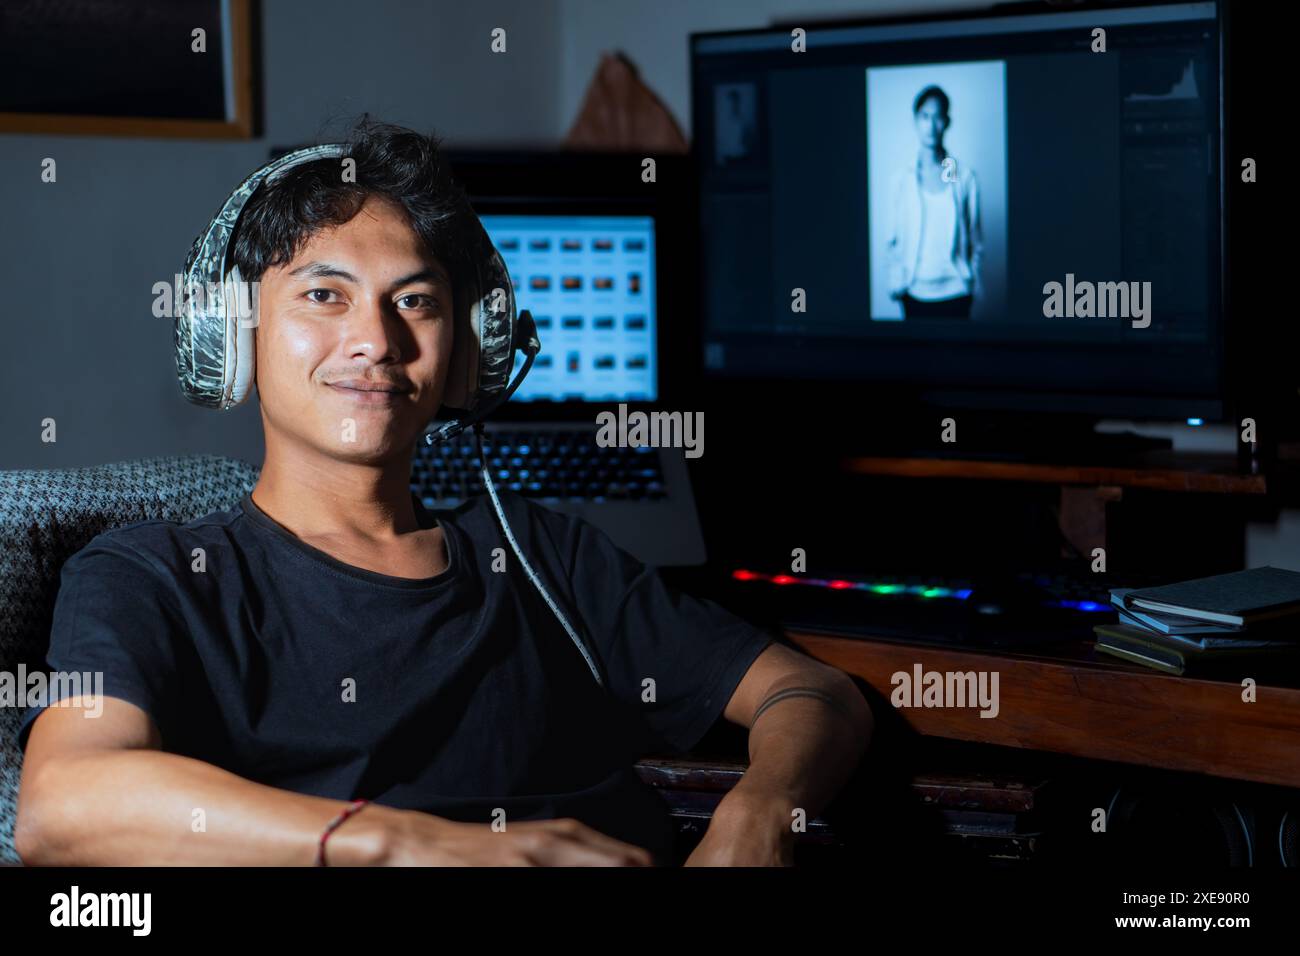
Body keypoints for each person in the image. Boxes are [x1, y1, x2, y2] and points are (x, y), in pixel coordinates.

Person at [14, 119, 871, 867]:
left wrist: (762, 813)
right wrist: (402, 843)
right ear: (231, 334)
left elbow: (814, 695)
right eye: (324, 295)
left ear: (468, 356)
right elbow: (65, 804)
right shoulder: (154, 577)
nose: (376, 341)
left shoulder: (544, 557)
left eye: (414, 302)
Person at [885, 85, 983, 319]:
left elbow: (976, 240)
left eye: (938, 117)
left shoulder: (965, 177)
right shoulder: (901, 179)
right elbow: (892, 240)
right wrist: (897, 282)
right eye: (925, 117)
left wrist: (971, 281)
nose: (931, 125)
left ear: (947, 122)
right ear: (915, 121)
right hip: (914, 293)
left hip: (956, 293)